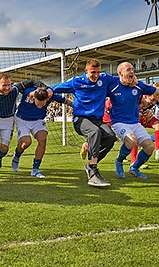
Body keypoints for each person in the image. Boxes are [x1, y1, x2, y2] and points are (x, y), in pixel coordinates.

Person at [111, 62, 159, 179]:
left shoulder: (138, 86)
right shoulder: (112, 83)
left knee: (149, 147)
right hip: (119, 122)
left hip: (135, 122)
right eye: (128, 69)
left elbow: (158, 91)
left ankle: (134, 168)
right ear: (120, 73)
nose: (132, 72)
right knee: (132, 140)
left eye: (133, 69)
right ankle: (119, 161)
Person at [51, 59, 124, 188]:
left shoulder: (105, 79)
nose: (96, 75)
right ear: (86, 71)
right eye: (93, 72)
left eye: (98, 72)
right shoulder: (76, 82)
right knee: (94, 132)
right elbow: (52, 90)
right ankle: (93, 173)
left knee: (111, 137)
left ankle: (90, 164)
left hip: (97, 120)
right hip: (80, 119)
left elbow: (122, 80)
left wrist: (133, 79)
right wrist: (63, 100)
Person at [11, 84, 72, 178]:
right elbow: (16, 89)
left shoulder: (50, 95)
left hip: (38, 120)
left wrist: (77, 105)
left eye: (42, 104)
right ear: (34, 97)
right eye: (38, 104)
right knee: (26, 142)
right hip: (22, 120)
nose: (40, 106)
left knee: (43, 139)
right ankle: (17, 155)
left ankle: (35, 169)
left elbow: (64, 100)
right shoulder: (28, 92)